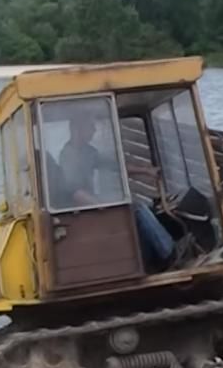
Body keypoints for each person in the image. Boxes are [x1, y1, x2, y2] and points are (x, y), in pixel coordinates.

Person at [57, 106, 177, 271]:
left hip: (90, 207)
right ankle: (169, 253)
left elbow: (116, 165)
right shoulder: (69, 156)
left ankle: (151, 262)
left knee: (147, 208)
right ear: (77, 128)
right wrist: (102, 206)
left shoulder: (88, 152)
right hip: (82, 214)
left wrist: (146, 171)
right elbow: (76, 193)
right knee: (137, 209)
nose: (94, 130)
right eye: (90, 126)